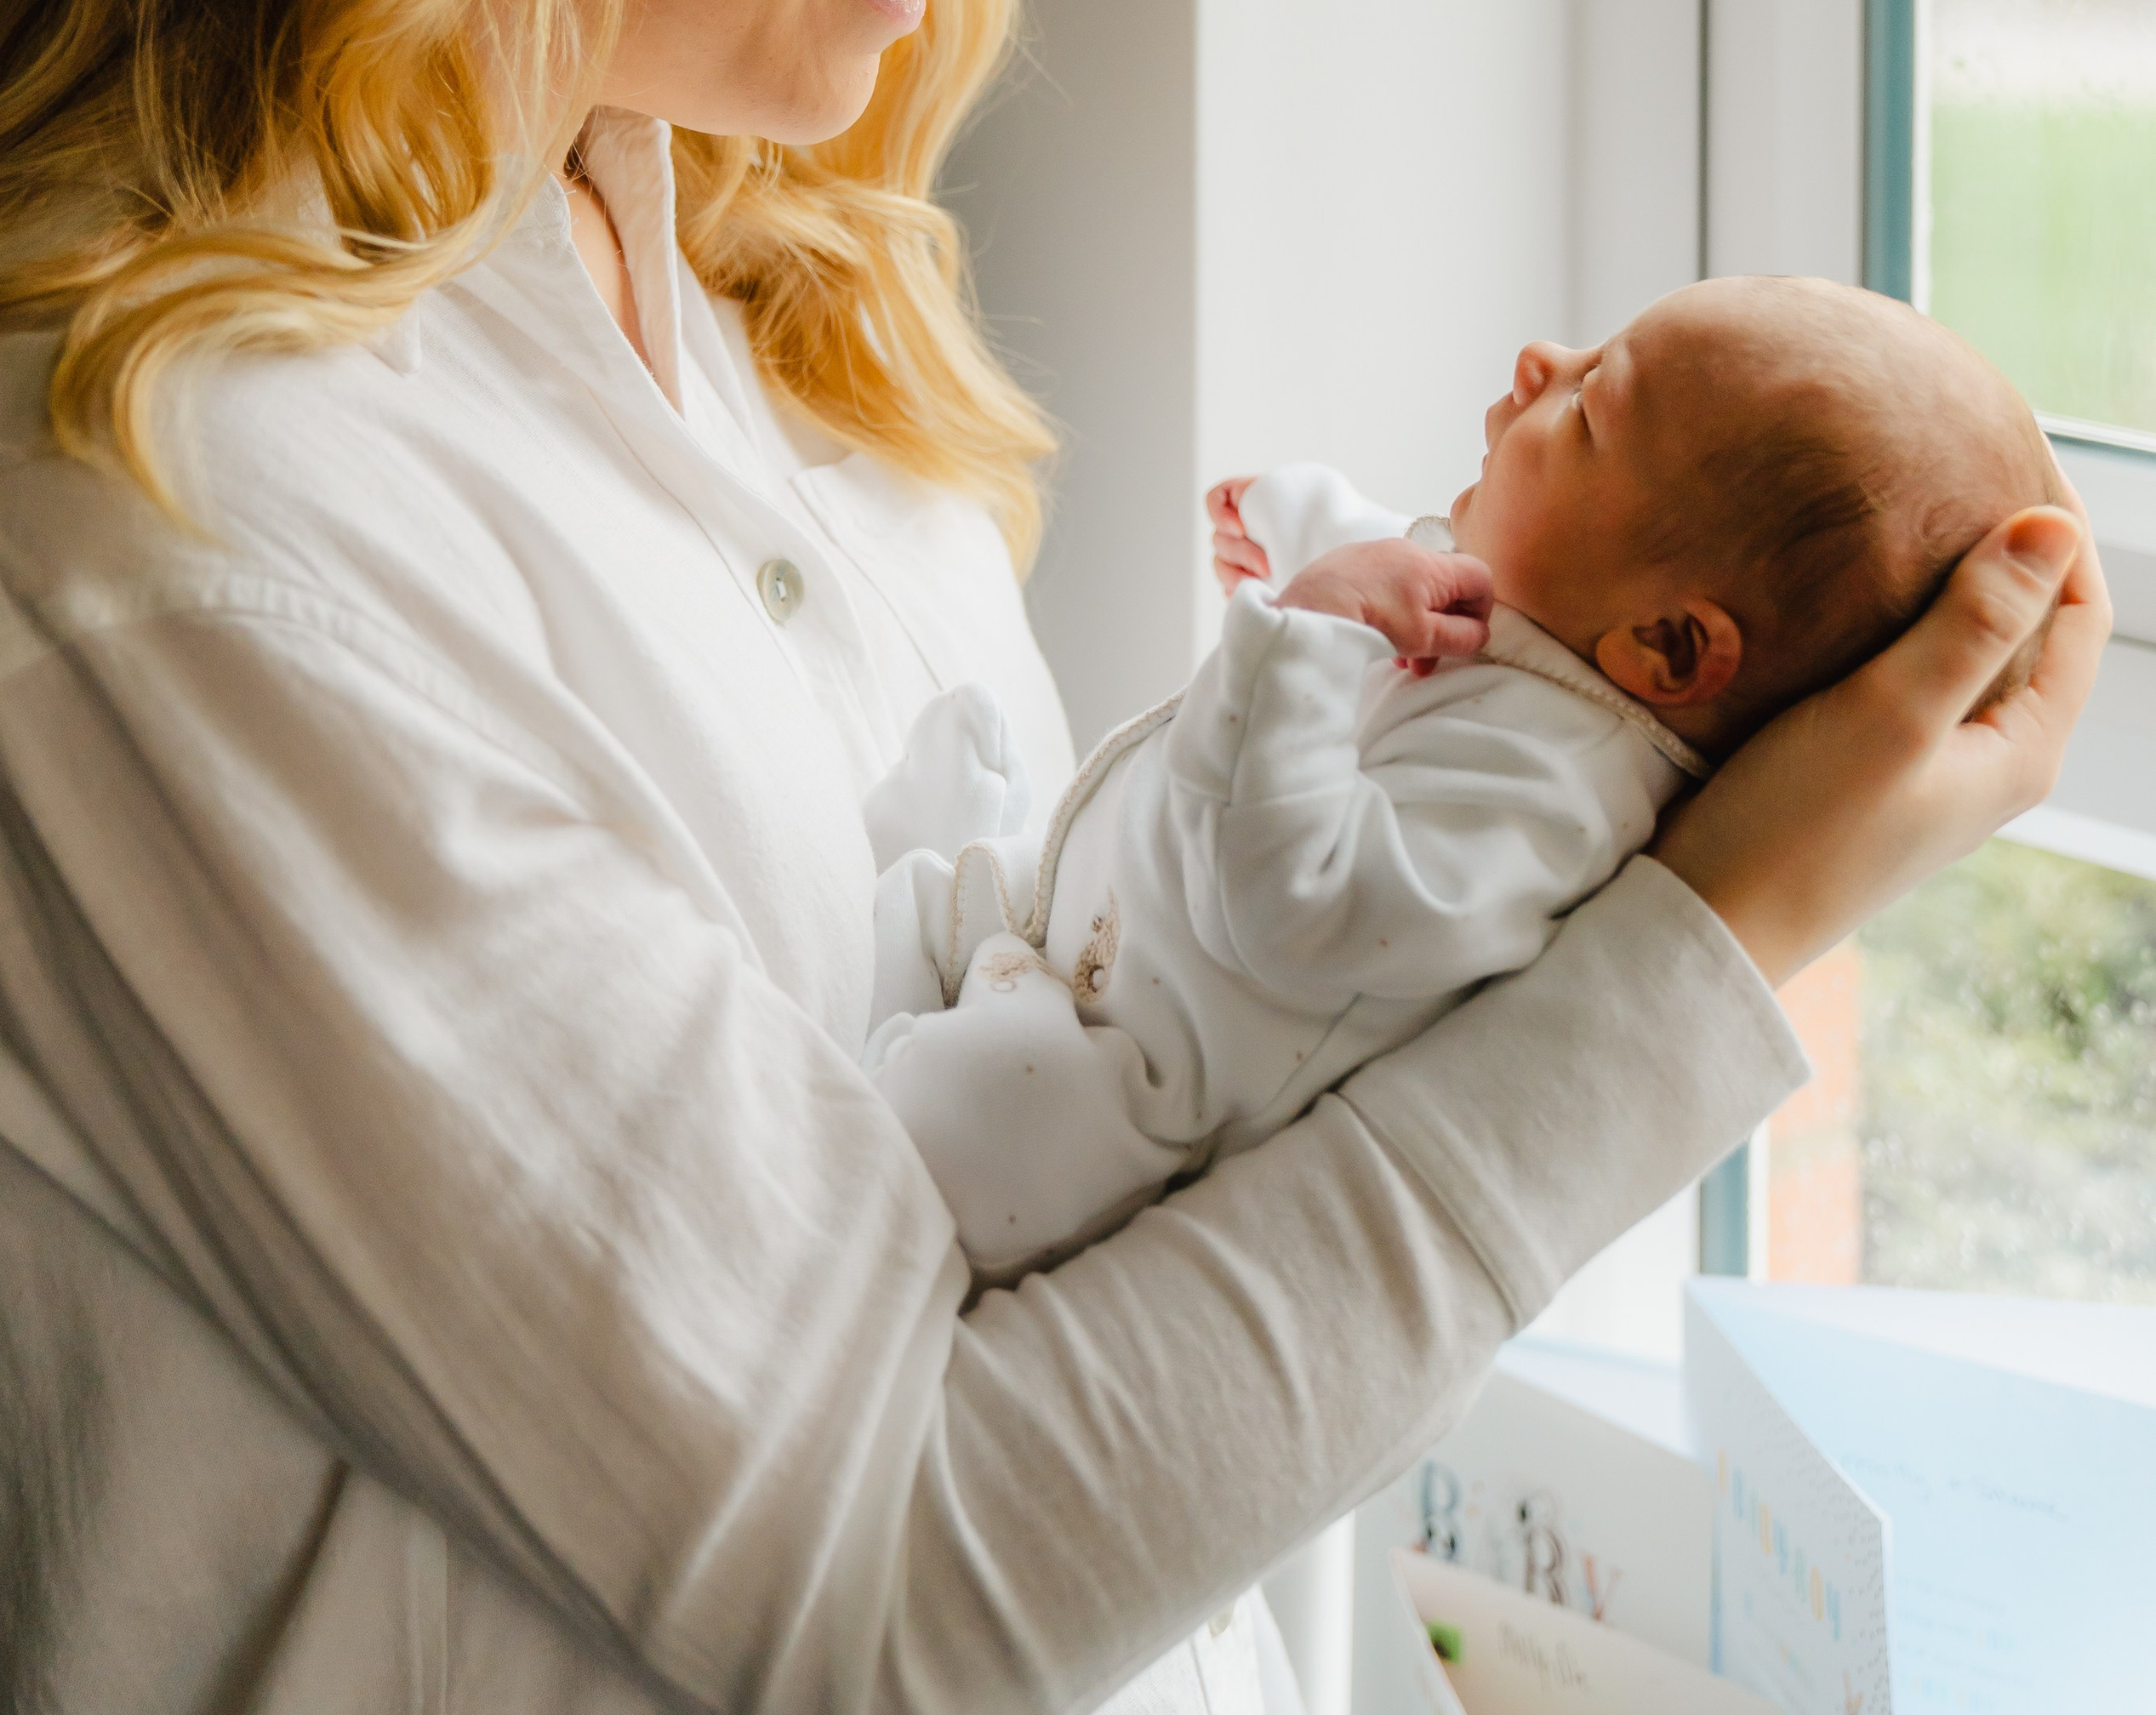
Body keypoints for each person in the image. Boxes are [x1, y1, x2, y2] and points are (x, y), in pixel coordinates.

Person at [0, 0, 2105, 1715]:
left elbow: (1060, 1161)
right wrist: (1724, 940)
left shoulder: (750, 307)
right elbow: (884, 1592)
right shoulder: (173, 544)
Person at [860, 280, 2059, 1278]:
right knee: (956, 899)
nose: (1544, 361)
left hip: (1133, 1076)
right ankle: (963, 909)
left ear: (1673, 648)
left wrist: (1312, 630)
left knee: (987, 1128)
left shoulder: (1555, 797)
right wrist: (1309, 525)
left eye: (1591, 406)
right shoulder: (1558, 628)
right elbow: (1419, 558)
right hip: (1101, 933)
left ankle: (898, 1073)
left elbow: (1305, 909)